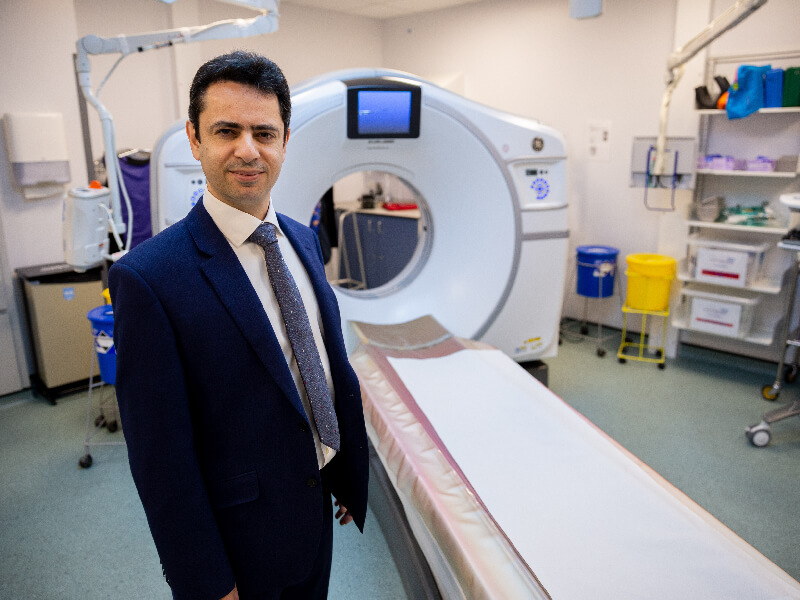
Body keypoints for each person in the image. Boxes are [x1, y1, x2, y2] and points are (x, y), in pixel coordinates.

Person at [109, 51, 369, 600]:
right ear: (194, 139)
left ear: (284, 142)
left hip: (315, 507)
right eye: (227, 130)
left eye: (264, 133)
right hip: (238, 543)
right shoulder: (149, 278)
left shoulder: (303, 239)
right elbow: (161, 461)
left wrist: (342, 466)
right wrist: (206, 582)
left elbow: (321, 362)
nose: (248, 150)